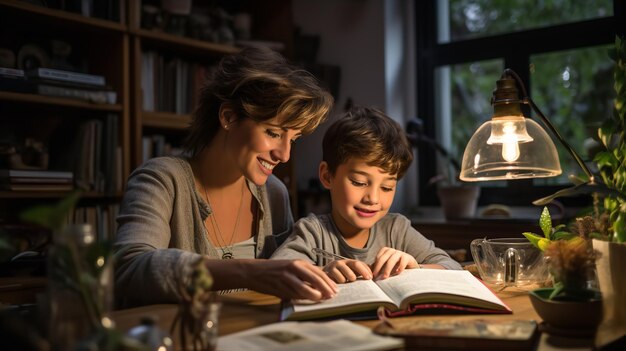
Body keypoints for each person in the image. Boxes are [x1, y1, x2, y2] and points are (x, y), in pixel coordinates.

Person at [113, 46, 337, 307]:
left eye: (293, 140)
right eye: (274, 133)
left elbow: (284, 276)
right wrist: (249, 272)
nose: (284, 155)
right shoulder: (162, 179)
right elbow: (128, 268)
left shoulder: (274, 193)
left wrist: (320, 273)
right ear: (229, 117)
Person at [271, 106, 462, 283]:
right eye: (359, 183)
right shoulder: (312, 232)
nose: (373, 198)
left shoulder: (396, 229)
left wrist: (416, 267)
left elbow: (453, 267)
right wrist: (322, 272)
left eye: (387, 187)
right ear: (327, 176)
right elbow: (276, 272)